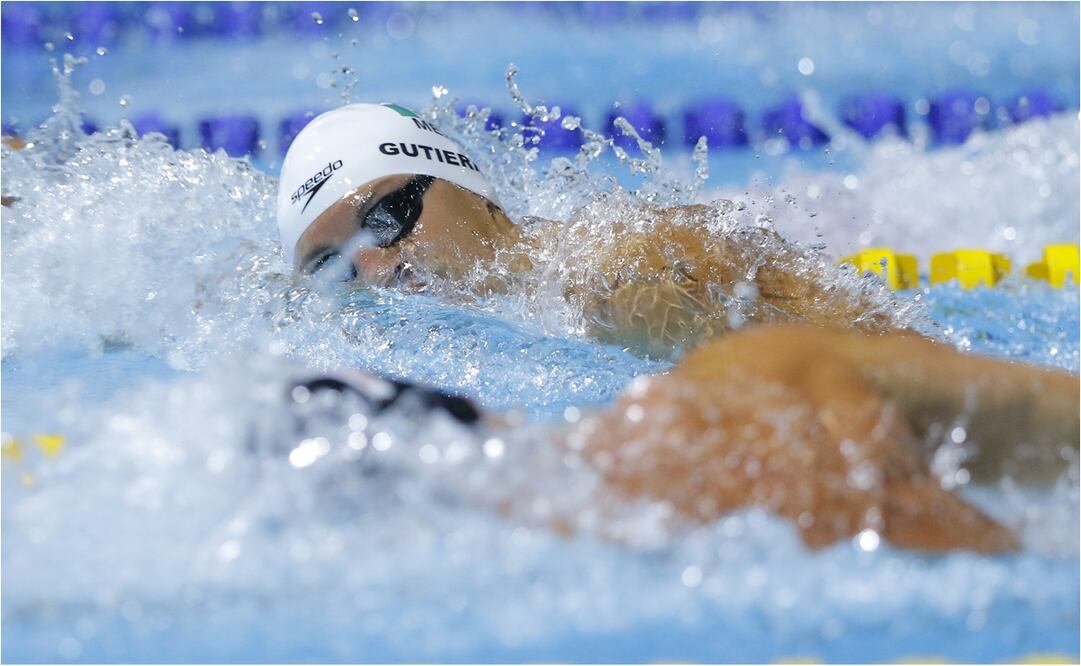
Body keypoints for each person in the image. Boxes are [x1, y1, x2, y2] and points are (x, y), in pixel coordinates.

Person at [274, 102, 1079, 553]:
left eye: (388, 216)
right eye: (333, 266)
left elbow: (860, 389)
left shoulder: (622, 281)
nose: (376, 268)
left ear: (469, 189)